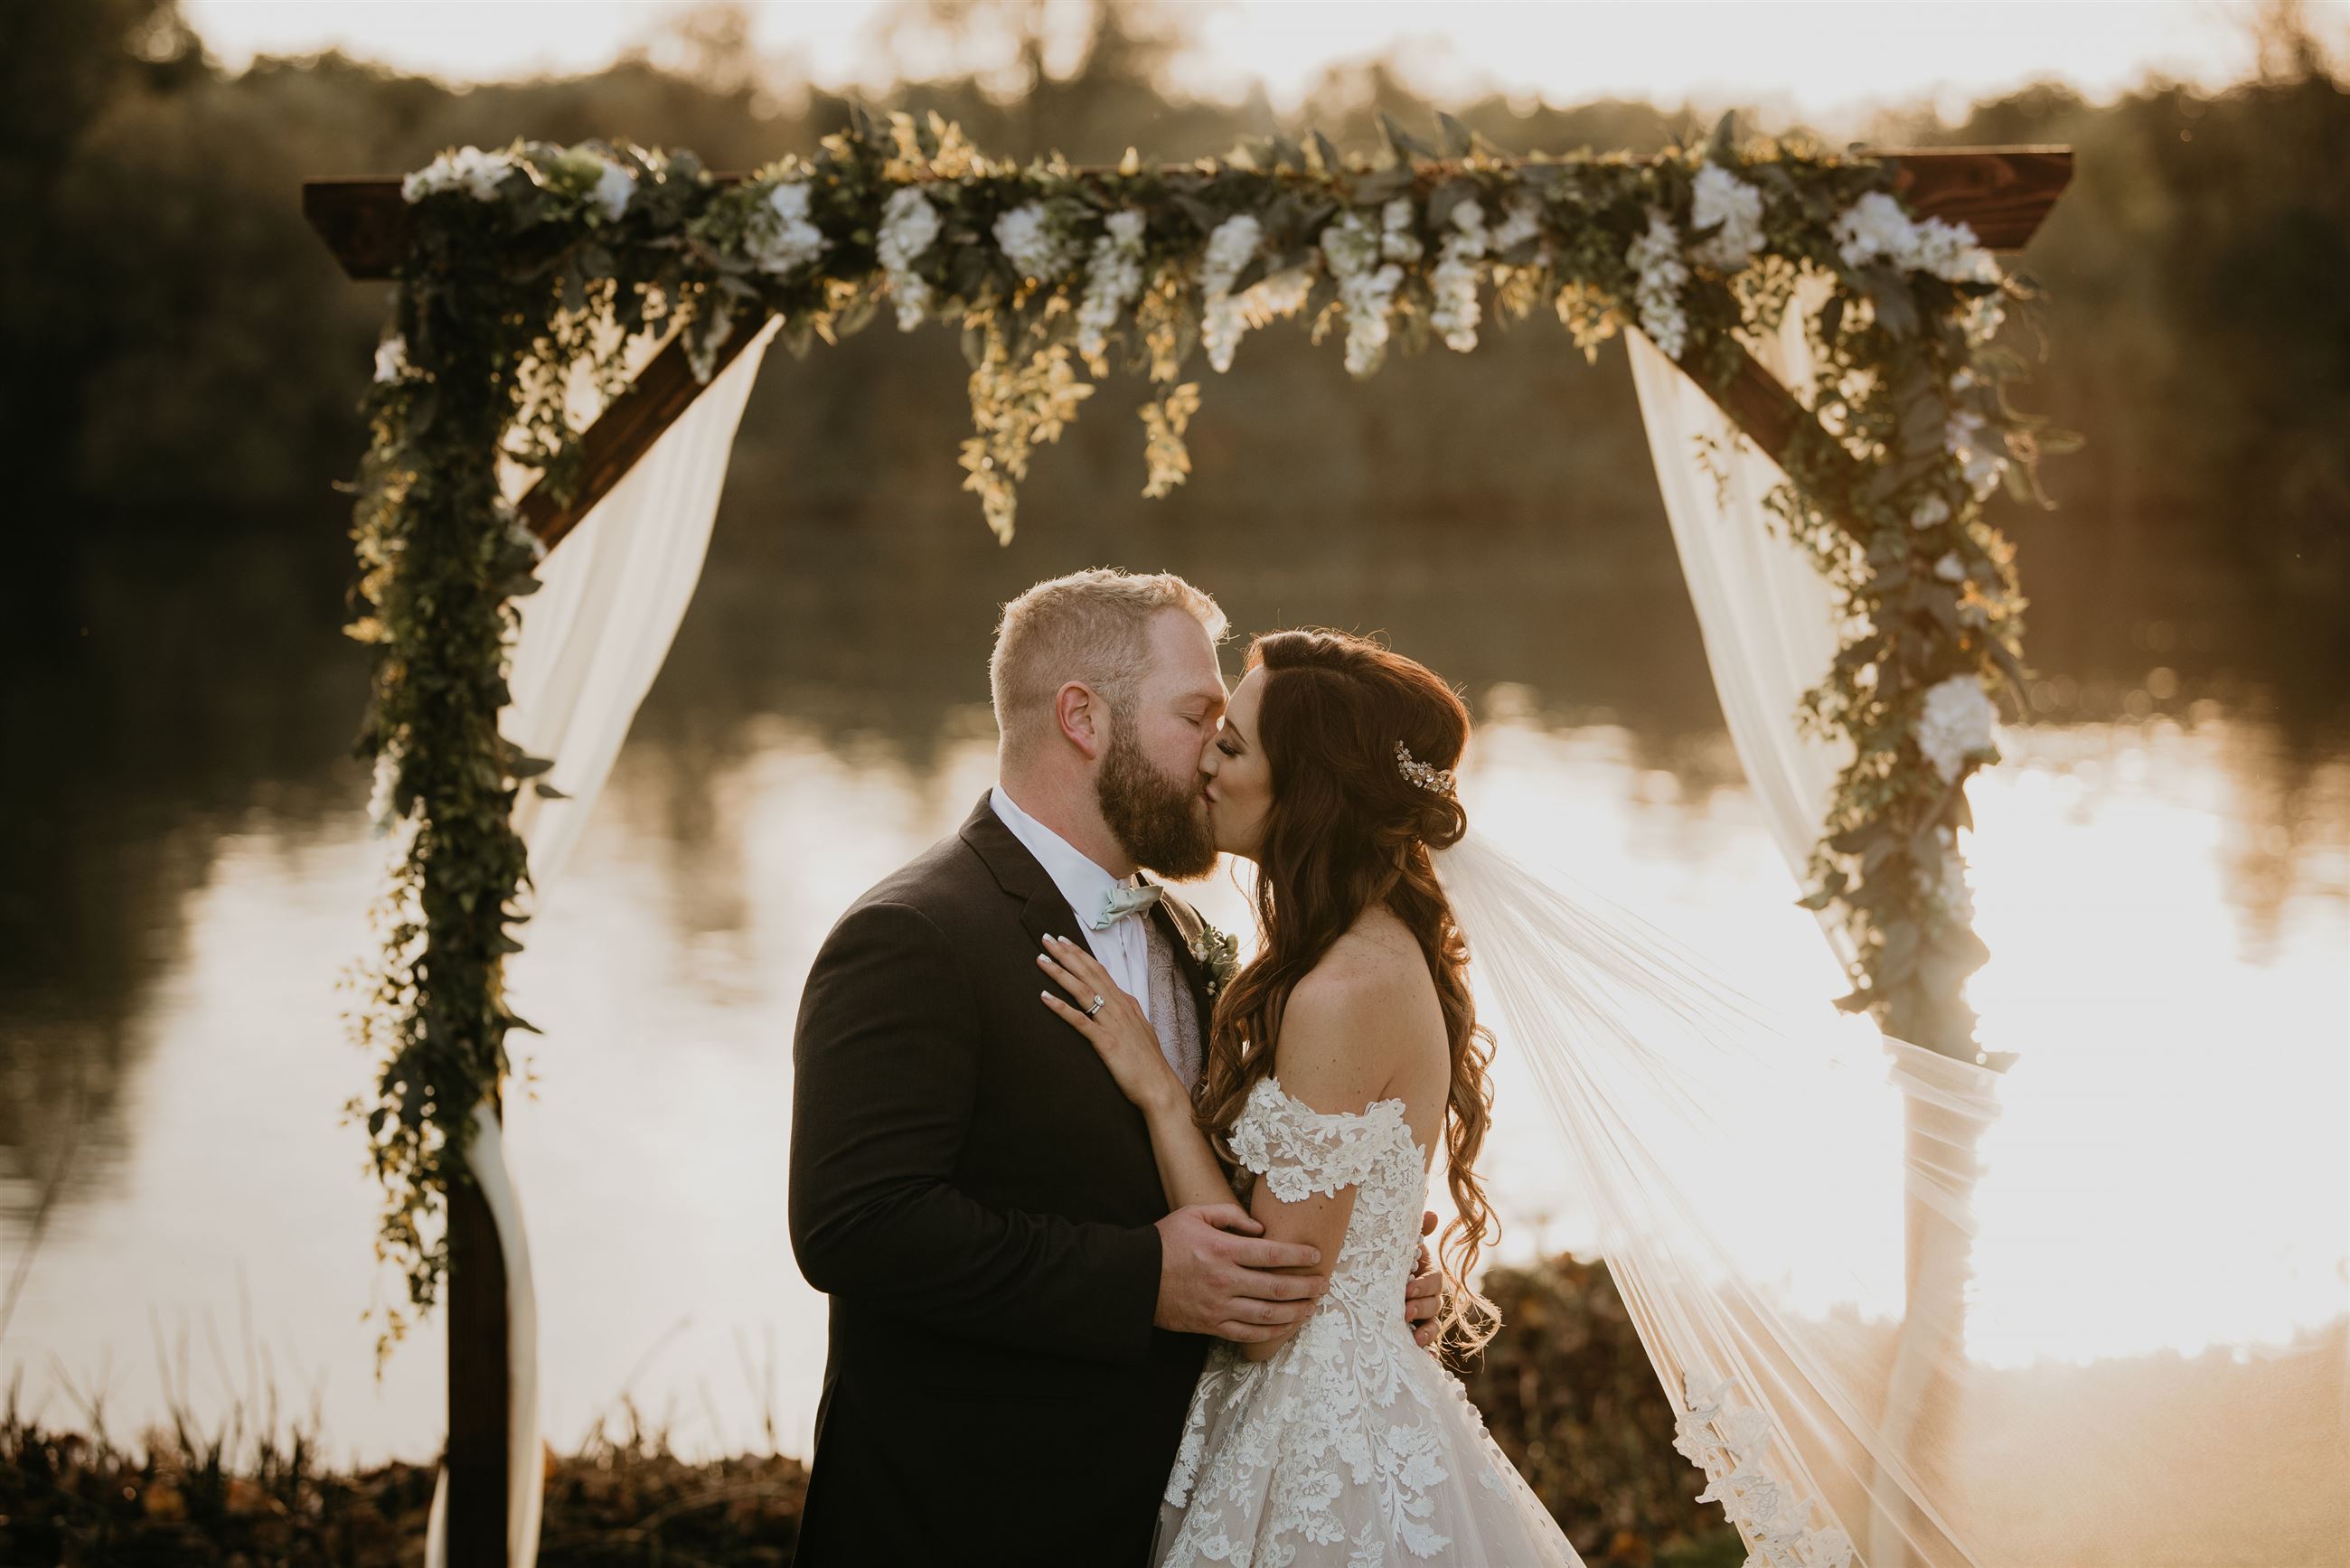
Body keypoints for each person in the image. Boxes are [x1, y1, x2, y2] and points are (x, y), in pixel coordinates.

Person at [787, 573, 1445, 1566]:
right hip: (970, 1521)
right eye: (1197, 718)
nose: (1216, 756)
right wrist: (1145, 1279)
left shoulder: (1185, 931)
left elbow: (1258, 1187)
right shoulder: (912, 933)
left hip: (1168, 1509)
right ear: (1083, 718)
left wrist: (1357, 1256)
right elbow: (855, 1226)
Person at [1038, 627, 1584, 1566]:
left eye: (1235, 745)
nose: (1206, 758)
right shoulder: (1347, 954)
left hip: (1328, 1458)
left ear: (1309, 792)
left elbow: (1267, 1310)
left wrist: (1160, 1093)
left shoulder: (1342, 990)